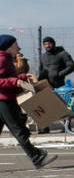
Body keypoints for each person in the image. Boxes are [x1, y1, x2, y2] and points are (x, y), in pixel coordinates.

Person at [0, 35, 57, 168]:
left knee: (20, 130)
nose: (19, 47)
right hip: (4, 102)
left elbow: (8, 78)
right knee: (20, 131)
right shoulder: (2, 59)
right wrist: (17, 81)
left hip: (6, 100)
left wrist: (23, 77)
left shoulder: (7, 58)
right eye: (16, 44)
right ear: (8, 47)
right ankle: (37, 158)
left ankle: (37, 155)